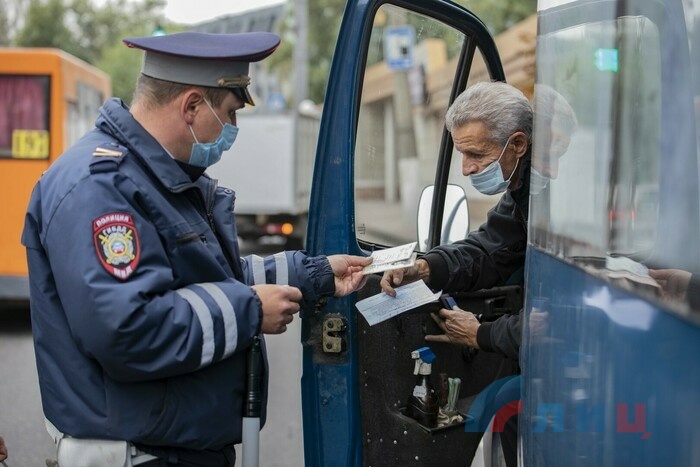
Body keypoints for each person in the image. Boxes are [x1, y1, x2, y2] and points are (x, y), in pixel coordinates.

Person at [21, 31, 371, 467]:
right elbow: (128, 329)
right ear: (190, 107)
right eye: (229, 114)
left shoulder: (155, 178)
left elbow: (208, 276)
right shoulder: (101, 188)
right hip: (140, 455)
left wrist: (315, 273)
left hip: (171, 448)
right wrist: (248, 310)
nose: (233, 130)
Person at [380, 81, 576, 467]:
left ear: (517, 144)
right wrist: (425, 267)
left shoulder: (565, 203)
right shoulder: (525, 190)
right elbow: (489, 249)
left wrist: (481, 333)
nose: (467, 168)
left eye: (475, 154)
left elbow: (564, 316)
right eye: (462, 154)